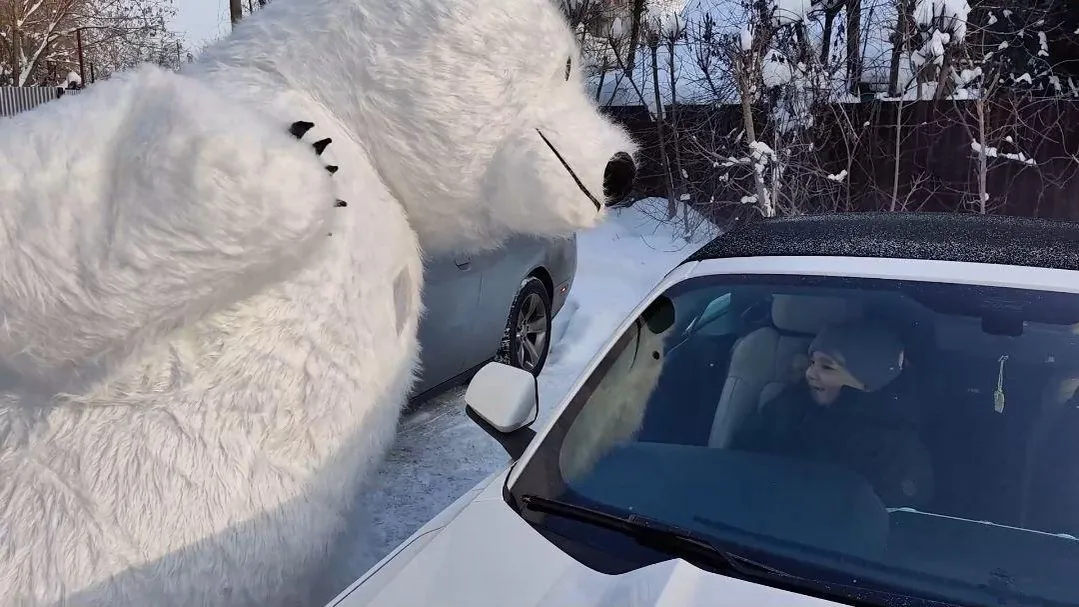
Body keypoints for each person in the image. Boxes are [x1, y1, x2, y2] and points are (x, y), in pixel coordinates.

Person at [732, 321, 934, 507]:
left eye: (827, 367)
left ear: (868, 383)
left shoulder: (896, 446)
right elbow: (739, 465)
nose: (810, 373)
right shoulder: (786, 408)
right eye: (812, 362)